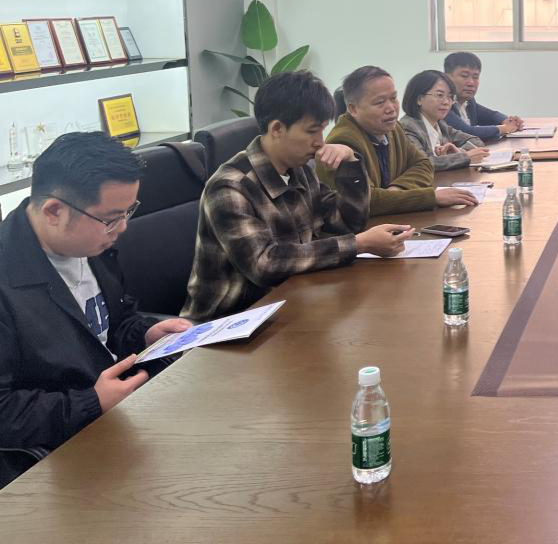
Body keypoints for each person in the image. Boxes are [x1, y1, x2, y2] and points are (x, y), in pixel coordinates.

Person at [0, 132, 192, 486]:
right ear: (54, 211)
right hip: (58, 461)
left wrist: (146, 332)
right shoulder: (8, 279)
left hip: (119, 419)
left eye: (128, 212)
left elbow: (114, 322)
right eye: (111, 218)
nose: (123, 227)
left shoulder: (91, 245)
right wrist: (91, 402)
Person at [183, 70, 417, 323]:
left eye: (322, 131)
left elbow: (346, 224)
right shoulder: (230, 187)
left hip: (292, 302)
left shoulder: (299, 169)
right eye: (311, 132)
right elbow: (264, 264)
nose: (320, 142)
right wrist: (359, 244)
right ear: (277, 128)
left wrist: (350, 164)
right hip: (231, 322)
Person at [319, 66, 477, 213]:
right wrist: (431, 197)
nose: (391, 108)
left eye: (393, 98)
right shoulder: (343, 142)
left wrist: (395, 191)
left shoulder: (393, 129)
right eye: (380, 102)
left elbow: (423, 164)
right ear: (353, 109)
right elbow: (365, 201)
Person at [401, 70, 491, 171]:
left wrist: (459, 151)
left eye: (450, 97)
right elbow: (422, 163)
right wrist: (465, 157)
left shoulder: (440, 124)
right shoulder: (407, 127)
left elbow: (475, 140)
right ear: (419, 99)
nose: (446, 102)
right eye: (440, 95)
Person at [444, 51, 523, 141]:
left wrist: (509, 121)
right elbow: (467, 132)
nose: (471, 83)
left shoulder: (468, 101)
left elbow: (491, 115)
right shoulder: (443, 104)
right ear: (447, 78)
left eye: (475, 77)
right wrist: (505, 128)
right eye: (464, 76)